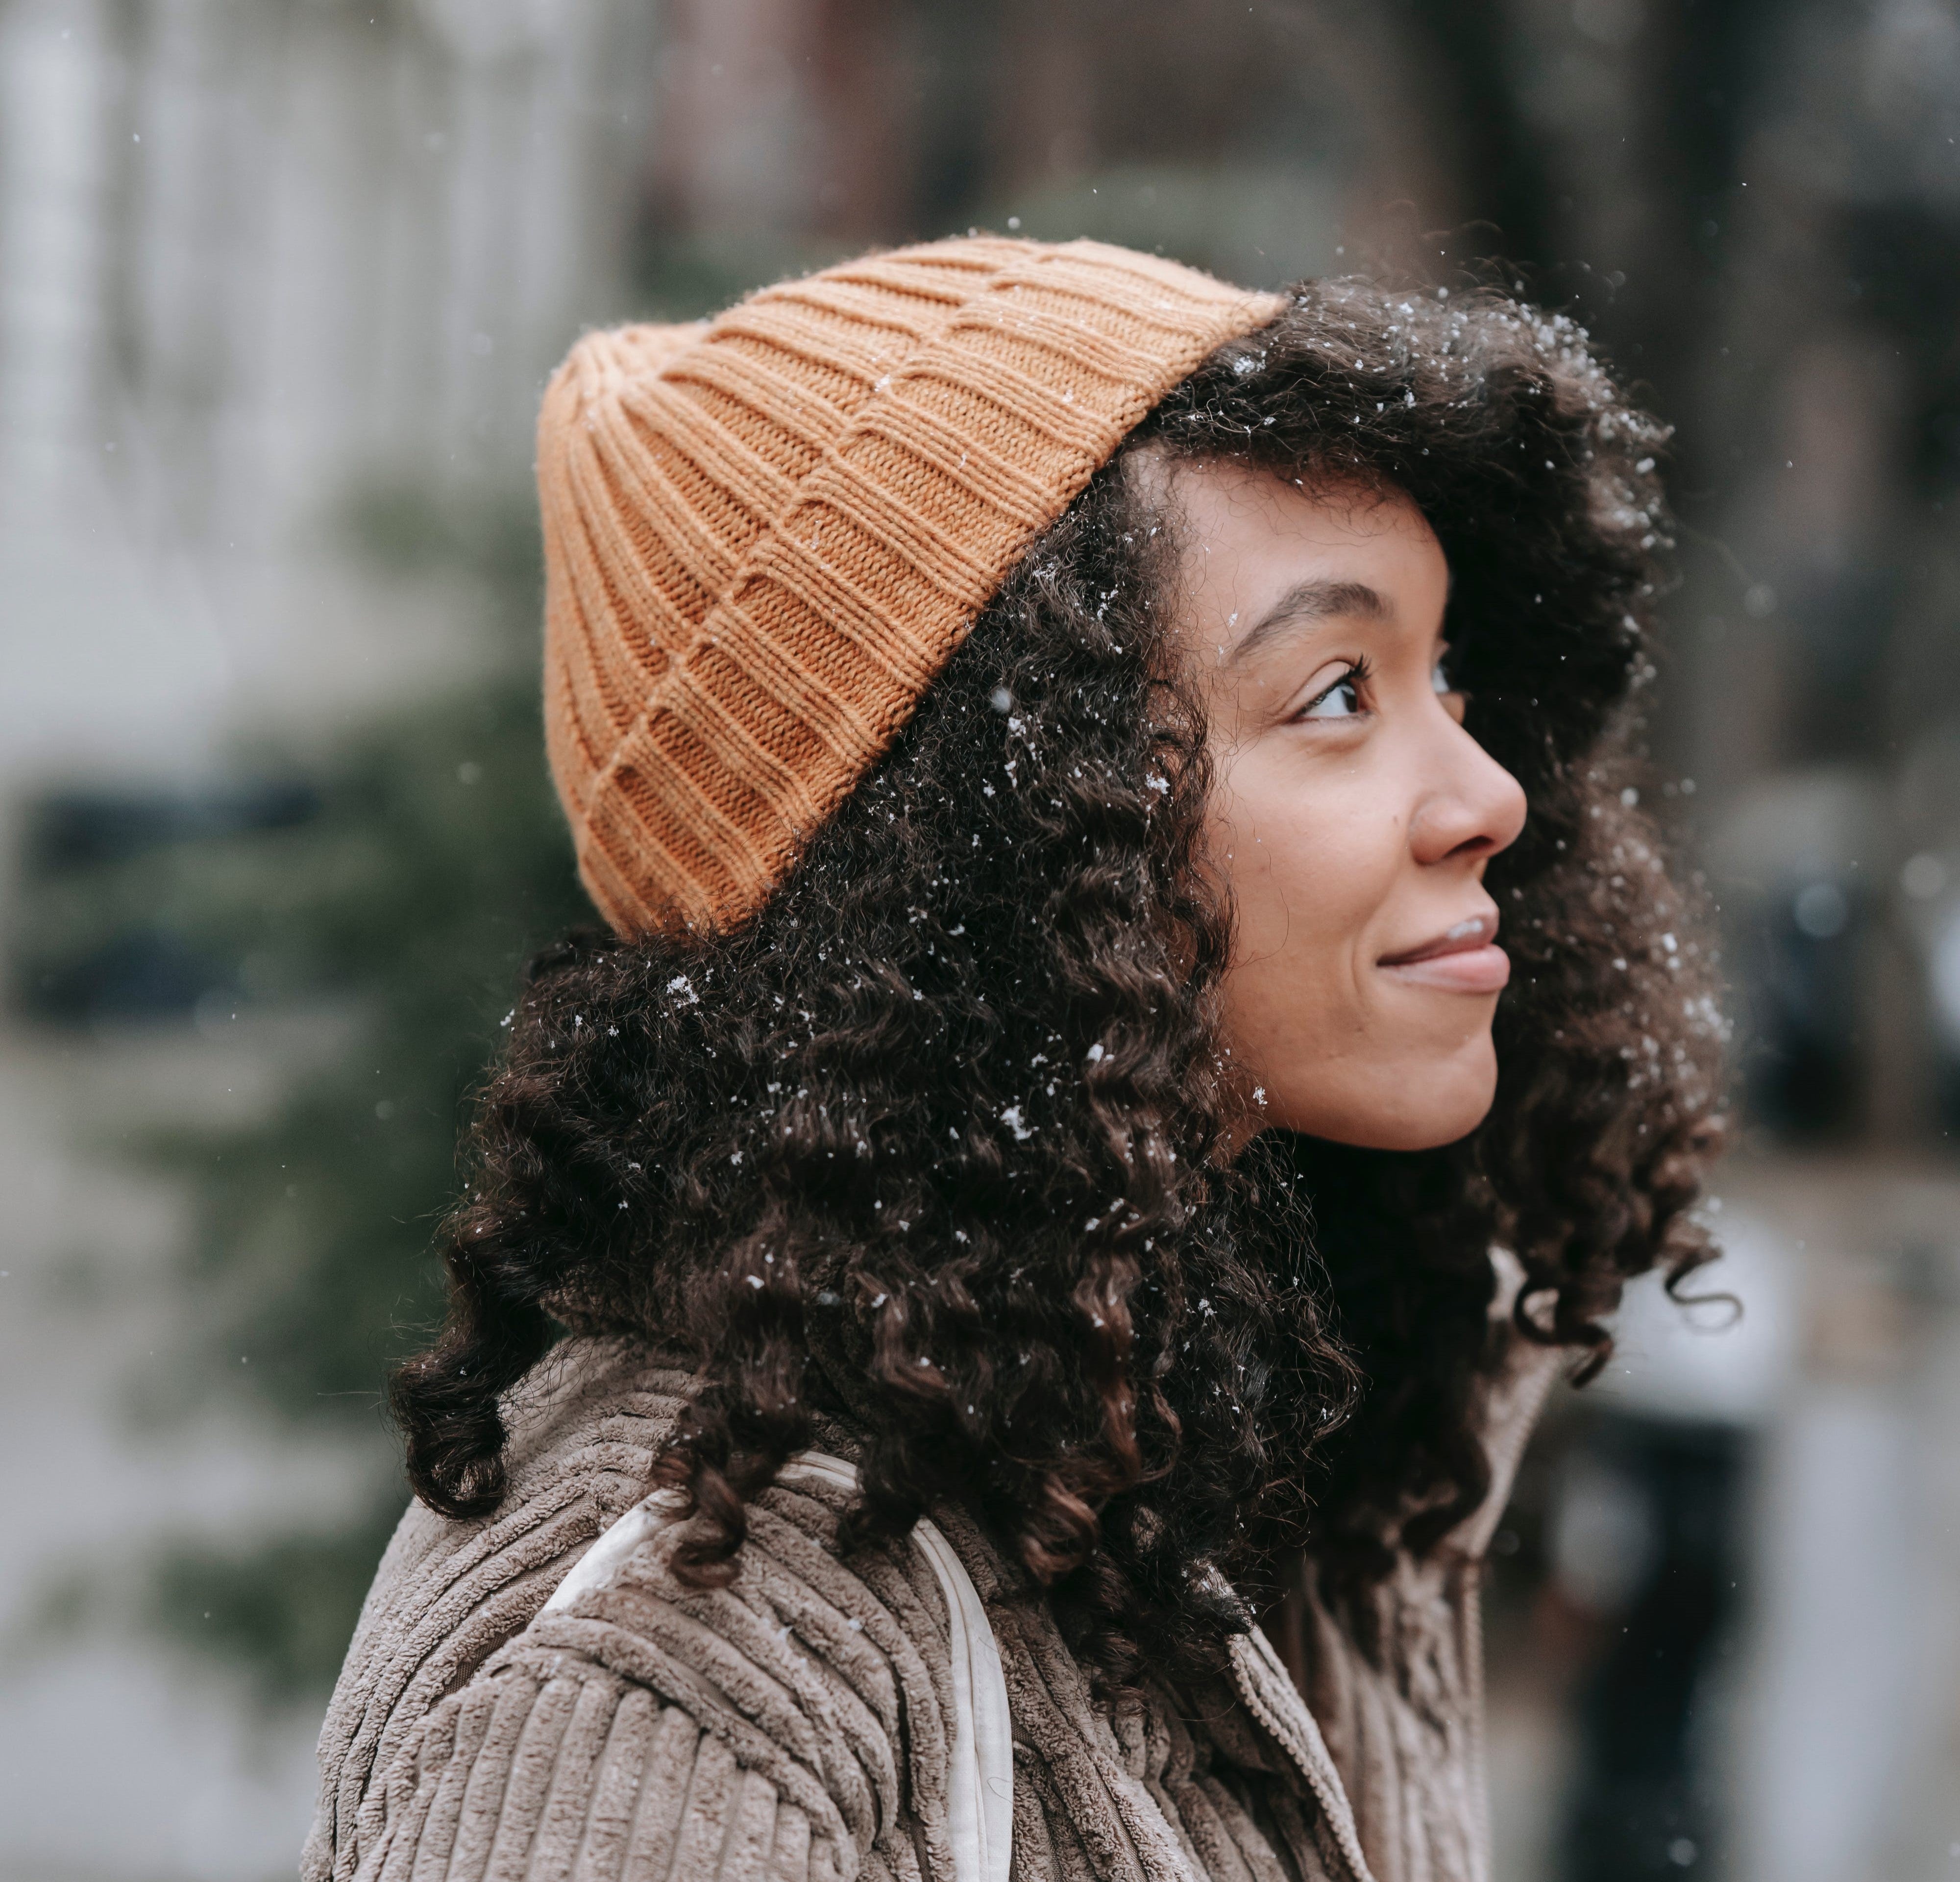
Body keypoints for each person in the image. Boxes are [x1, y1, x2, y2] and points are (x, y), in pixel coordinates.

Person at [305, 238, 1723, 1882]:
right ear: (1011, 843)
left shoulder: (1282, 1442)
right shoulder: (669, 1689)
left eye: (1448, 676)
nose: (1490, 794)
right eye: (1337, 692)